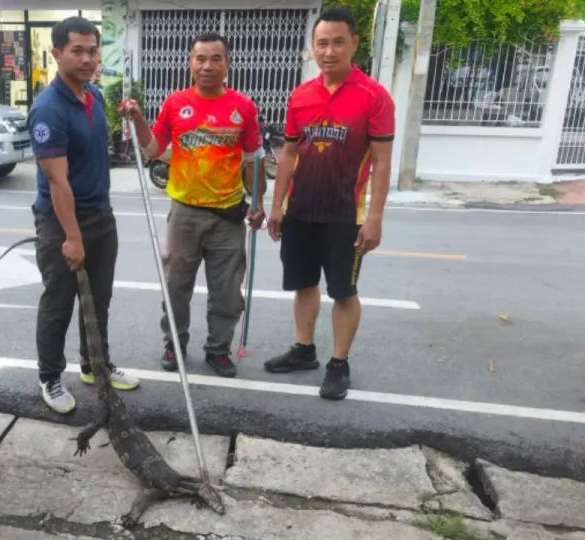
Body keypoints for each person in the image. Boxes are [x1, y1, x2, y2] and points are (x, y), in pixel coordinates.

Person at [264, 7, 396, 400]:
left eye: (339, 42)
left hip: (346, 214)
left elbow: (381, 162)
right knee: (304, 284)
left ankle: (339, 363)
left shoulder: (375, 97)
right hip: (301, 209)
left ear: (354, 43)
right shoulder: (301, 96)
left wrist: (374, 217)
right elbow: (287, 155)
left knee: (343, 290)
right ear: (313, 47)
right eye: (322, 43)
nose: (330, 51)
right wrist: (277, 206)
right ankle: (304, 350)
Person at [119, 33, 266, 378]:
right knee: (176, 286)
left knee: (228, 292)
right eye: (200, 58)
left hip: (228, 215)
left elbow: (252, 160)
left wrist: (257, 202)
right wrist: (138, 117)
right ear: (190, 63)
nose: (207, 66)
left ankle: (218, 349)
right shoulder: (175, 103)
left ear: (227, 64)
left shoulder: (243, 107)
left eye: (216, 59)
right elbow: (154, 149)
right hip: (184, 212)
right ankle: (175, 342)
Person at [28, 16, 139, 414]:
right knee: (59, 302)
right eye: (77, 51)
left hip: (99, 216)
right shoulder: (48, 110)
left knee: (99, 300)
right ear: (57, 54)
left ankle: (95, 365)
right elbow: (57, 183)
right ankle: (50, 377)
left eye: (93, 50)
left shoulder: (93, 96)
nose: (88, 59)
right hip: (62, 222)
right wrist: (71, 237)